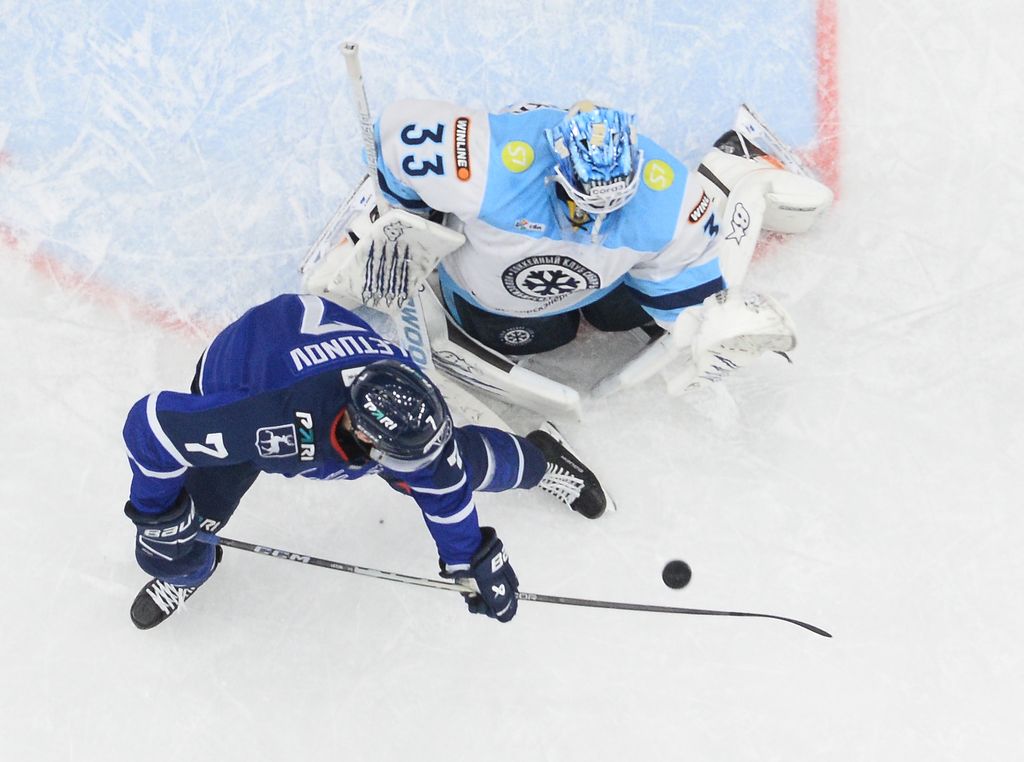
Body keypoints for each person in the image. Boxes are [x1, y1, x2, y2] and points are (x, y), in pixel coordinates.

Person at [121, 293, 608, 630]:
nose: (424, 469)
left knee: (462, 461)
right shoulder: (267, 419)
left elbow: (444, 486)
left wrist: (471, 559)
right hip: (244, 373)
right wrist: (158, 514)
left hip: (315, 358)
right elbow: (151, 427)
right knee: (182, 535)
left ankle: (542, 459)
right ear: (362, 435)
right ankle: (188, 570)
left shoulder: (408, 403)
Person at [330, 98, 832, 390]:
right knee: (547, 337)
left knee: (620, 319)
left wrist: (709, 328)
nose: (594, 219)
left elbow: (688, 278)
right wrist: (401, 223)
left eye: (613, 205)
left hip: (607, 283)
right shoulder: (487, 163)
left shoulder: (670, 199)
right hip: (486, 297)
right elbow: (394, 140)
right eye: (583, 203)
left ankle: (730, 163)